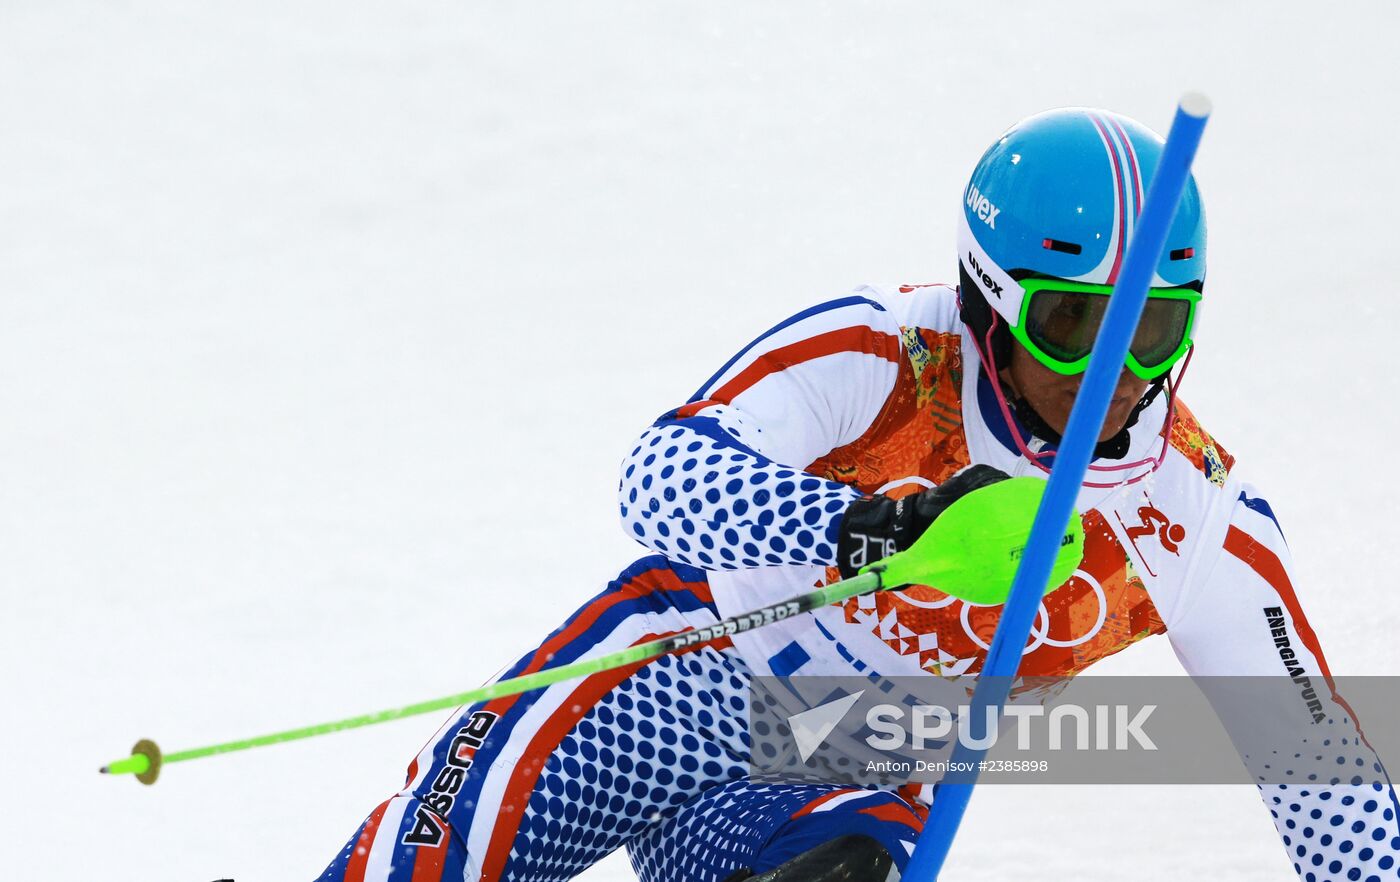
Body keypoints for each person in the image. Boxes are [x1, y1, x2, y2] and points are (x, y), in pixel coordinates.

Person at [317, 108, 1399, 882]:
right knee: (433, 861)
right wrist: (865, 528)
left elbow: (1318, 765)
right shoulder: (887, 352)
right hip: (687, 666)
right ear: (987, 295)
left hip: (844, 751)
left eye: (1151, 327)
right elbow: (659, 473)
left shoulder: (1192, 514)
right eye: (1070, 325)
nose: (1113, 372)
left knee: (842, 858)